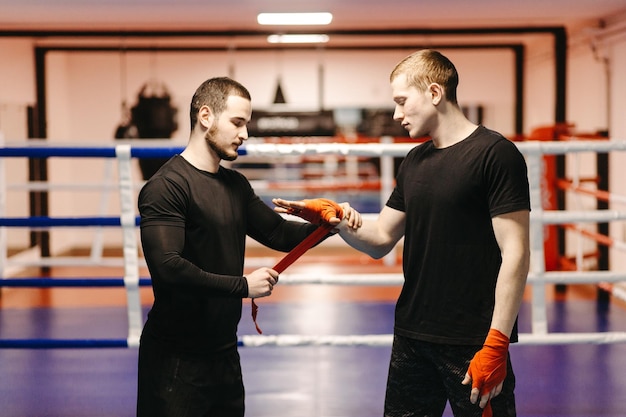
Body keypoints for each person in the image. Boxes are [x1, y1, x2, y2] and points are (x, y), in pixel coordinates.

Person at [274, 49, 531, 417]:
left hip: (472, 340)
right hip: (412, 334)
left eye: (401, 101)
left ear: (434, 93)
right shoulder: (415, 161)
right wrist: (335, 219)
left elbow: (516, 253)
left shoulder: (495, 155)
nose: (396, 115)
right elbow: (380, 239)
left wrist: (497, 342)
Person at [136, 76, 357, 417]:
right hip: (175, 360)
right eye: (237, 123)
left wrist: (330, 222)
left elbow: (279, 234)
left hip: (223, 355)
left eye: (246, 124)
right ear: (206, 116)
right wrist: (243, 286)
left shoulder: (234, 185)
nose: (245, 134)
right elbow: (168, 267)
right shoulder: (166, 187)